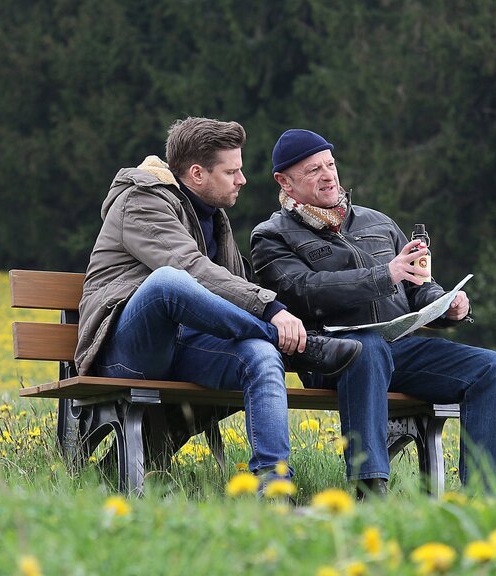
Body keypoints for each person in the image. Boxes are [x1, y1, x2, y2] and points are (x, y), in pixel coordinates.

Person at [74, 118, 362, 484]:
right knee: (167, 282)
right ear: (197, 173)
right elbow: (189, 268)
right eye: (232, 172)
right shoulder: (141, 201)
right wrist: (272, 313)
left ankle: (273, 488)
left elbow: (233, 287)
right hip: (125, 351)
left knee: (260, 354)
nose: (242, 180)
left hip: (183, 349)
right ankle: (295, 348)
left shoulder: (215, 218)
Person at [250, 129, 496, 496]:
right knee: (368, 349)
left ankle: (488, 498)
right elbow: (304, 291)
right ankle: (370, 487)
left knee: (494, 369)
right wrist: (382, 275)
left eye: (330, 164)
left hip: (398, 350)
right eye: (313, 170)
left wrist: (447, 305)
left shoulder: (377, 222)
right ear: (285, 182)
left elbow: (417, 284)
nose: (328, 175)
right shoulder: (271, 236)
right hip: (330, 355)